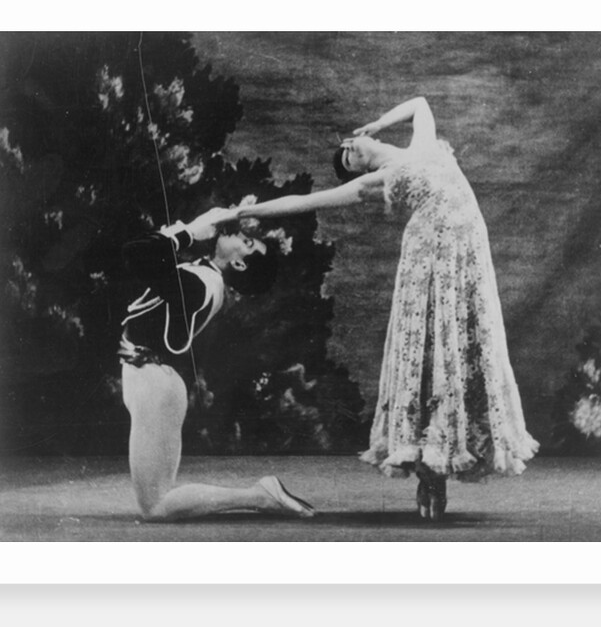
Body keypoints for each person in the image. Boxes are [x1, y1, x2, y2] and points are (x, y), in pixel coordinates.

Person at [229, 97, 539, 520]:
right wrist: (246, 211)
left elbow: (420, 105)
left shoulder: (424, 145)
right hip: (429, 262)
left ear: (361, 138)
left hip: (464, 259)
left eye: (350, 149)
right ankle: (430, 475)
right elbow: (309, 200)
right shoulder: (384, 177)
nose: (353, 154)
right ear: (360, 169)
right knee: (430, 353)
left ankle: (442, 463)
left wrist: (378, 120)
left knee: (460, 351)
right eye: (349, 161)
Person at [119, 207, 316, 521]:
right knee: (157, 497)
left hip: (155, 385)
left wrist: (190, 231)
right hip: (151, 381)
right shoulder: (203, 273)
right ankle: (261, 495)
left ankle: (260, 496)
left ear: (238, 263)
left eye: (249, 244)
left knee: (155, 506)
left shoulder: (204, 283)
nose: (243, 236)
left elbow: (137, 253)